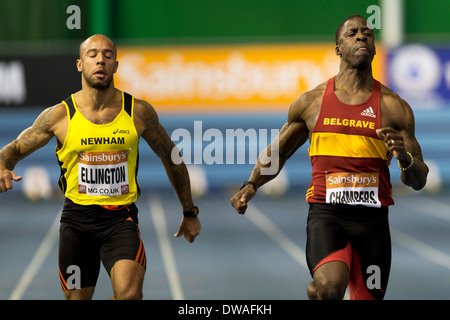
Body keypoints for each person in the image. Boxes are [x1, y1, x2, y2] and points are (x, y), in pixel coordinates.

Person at [230, 15, 428, 300]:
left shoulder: (394, 107)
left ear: (373, 48)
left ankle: (317, 292)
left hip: (373, 223)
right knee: (332, 286)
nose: (361, 36)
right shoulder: (312, 102)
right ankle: (322, 288)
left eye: (367, 33)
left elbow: (418, 180)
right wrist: (250, 185)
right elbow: (281, 150)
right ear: (338, 48)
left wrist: (404, 157)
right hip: (327, 215)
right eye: (352, 33)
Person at [0, 34, 201, 300]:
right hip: (76, 223)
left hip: (121, 220)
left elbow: (171, 156)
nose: (100, 60)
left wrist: (189, 211)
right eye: (92, 54)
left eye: (107, 55)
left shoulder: (138, 112)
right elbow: (12, 149)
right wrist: (3, 166)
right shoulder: (59, 115)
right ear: (79, 64)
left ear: (115, 66)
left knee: (130, 295)